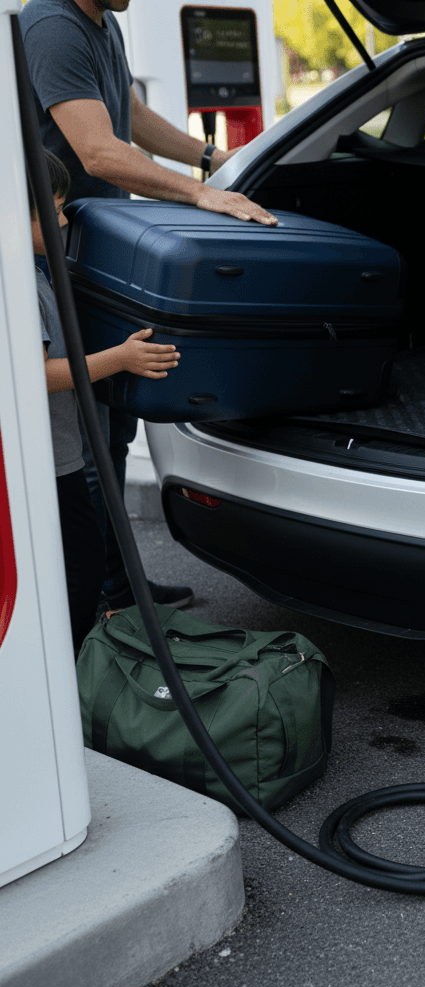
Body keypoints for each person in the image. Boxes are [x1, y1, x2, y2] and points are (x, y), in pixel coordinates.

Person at [19, 0, 278, 611]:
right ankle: (92, 597)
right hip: (59, 256)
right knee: (86, 438)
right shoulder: (53, 26)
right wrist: (200, 195)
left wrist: (212, 161)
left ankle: (114, 583)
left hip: (91, 253)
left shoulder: (102, 22)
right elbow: (99, 152)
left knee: (111, 429)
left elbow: (126, 115)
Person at [31, 150, 181, 650]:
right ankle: (66, 677)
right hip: (49, 464)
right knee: (81, 568)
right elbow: (32, 376)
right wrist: (120, 359)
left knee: (74, 564)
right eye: (53, 209)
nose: (62, 219)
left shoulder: (33, 272)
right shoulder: (20, 288)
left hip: (57, 456)